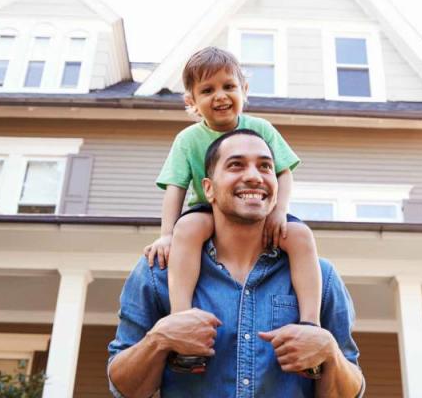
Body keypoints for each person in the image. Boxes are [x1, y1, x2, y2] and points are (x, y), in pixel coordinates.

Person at [109, 130, 365, 397]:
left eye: (265, 166)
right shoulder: (158, 272)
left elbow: (351, 390)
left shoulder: (320, 276)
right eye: (236, 165)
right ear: (208, 188)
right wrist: (159, 340)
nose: (254, 176)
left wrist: (330, 352)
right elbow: (123, 389)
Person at [142, 47, 324, 371]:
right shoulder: (187, 140)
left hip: (259, 208)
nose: (220, 96)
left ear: (244, 91)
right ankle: (182, 322)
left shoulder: (262, 129)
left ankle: (310, 327)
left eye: (229, 86)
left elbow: (283, 172)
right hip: (208, 209)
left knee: (300, 235)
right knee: (189, 229)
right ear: (191, 101)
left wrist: (280, 211)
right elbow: (175, 189)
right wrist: (167, 235)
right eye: (207, 90)